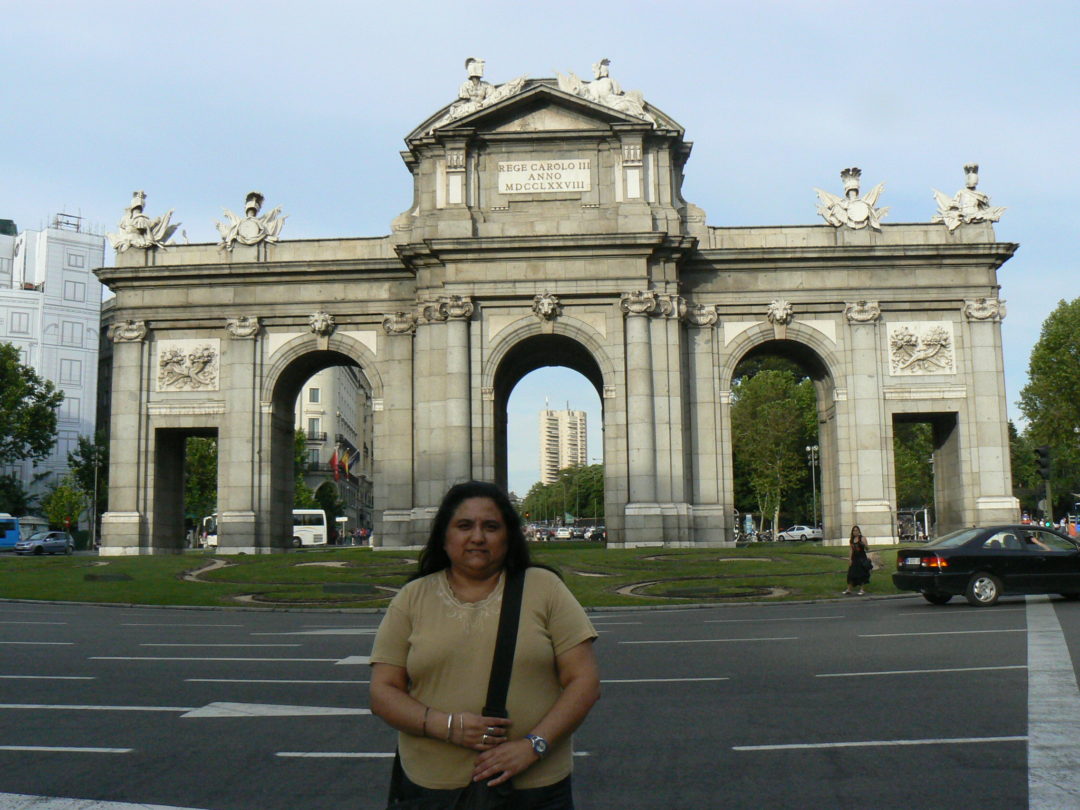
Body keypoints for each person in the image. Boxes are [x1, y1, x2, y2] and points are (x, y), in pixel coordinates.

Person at [370, 481, 600, 808]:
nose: (478, 537)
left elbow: (585, 681)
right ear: (444, 537)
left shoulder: (545, 588)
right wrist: (447, 727)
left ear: (508, 536)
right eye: (464, 526)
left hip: (533, 786)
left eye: (491, 527)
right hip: (432, 788)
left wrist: (533, 746)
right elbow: (382, 692)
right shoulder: (413, 597)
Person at [843, 525, 870, 596]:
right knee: (851, 573)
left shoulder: (862, 538)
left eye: (856, 530)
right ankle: (849, 589)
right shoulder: (852, 540)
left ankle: (862, 590)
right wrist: (850, 559)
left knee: (861, 574)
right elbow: (851, 549)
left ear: (859, 531)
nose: (855, 532)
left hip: (861, 558)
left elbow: (867, 548)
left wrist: (864, 545)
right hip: (854, 558)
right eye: (854, 530)